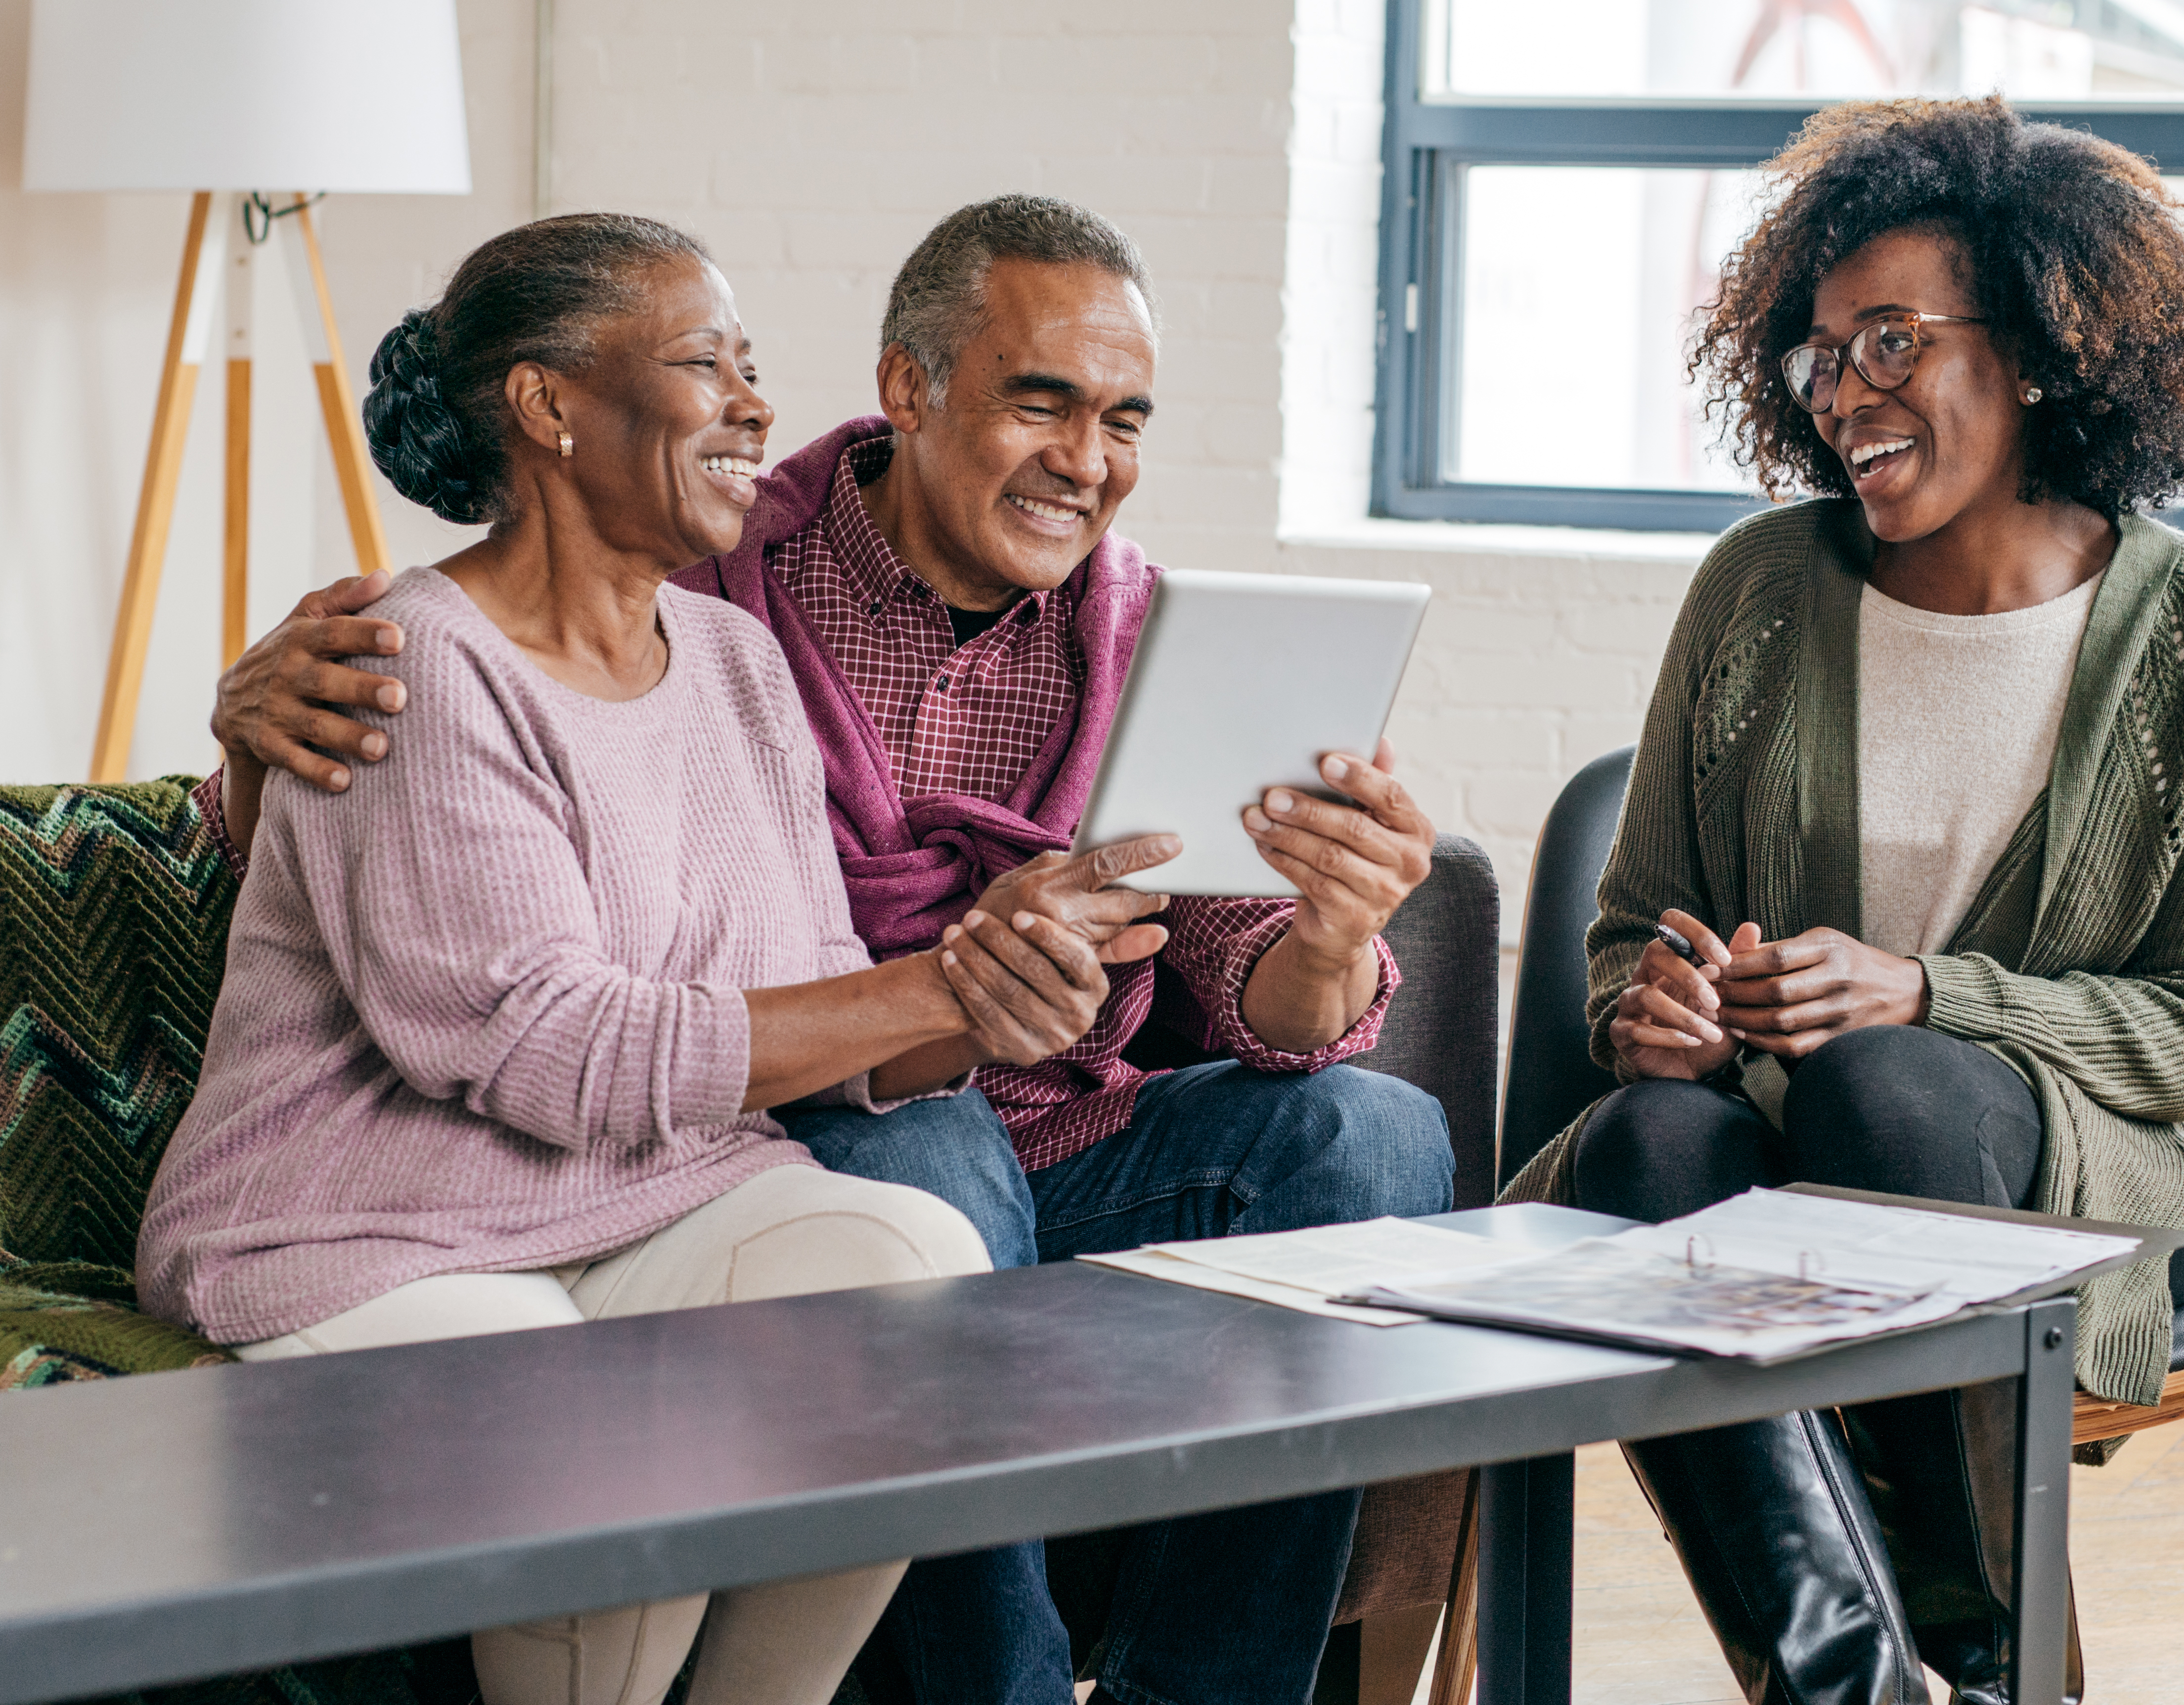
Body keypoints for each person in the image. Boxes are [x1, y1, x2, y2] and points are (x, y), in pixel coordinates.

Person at [199, 196, 1456, 1705]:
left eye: (1123, 418)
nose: (1088, 460)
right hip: (767, 1125)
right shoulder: (725, 580)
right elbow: (430, 890)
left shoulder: (1125, 634)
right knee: (931, 1170)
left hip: (1010, 1119)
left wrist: (1333, 924)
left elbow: (1270, 993)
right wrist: (251, 733)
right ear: (910, 388)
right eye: (1039, 400)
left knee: (1372, 1133)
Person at [1499, 98, 2184, 1705]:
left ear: (2045, 346)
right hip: (1765, 1159)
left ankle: (1994, 1658)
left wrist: (1929, 994)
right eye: (1817, 357)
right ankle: (1858, 1684)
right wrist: (1650, 1013)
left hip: (2067, 1173)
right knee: (1654, 1143)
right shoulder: (1756, 591)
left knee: (1889, 1082)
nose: (1843, 395)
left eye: (1890, 343)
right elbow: (1631, 925)